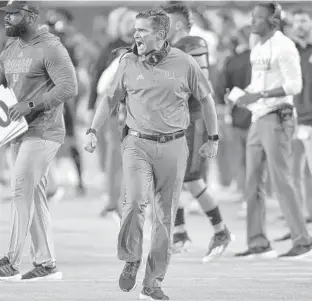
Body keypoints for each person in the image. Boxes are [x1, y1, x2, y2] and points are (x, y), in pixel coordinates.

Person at [85, 8, 219, 300]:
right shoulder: (127, 62)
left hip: (174, 146)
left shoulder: (185, 63)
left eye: (142, 30)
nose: (136, 35)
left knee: (164, 219)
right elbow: (109, 100)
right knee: (133, 203)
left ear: (161, 34)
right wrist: (93, 130)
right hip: (136, 144)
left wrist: (213, 137)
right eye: (135, 30)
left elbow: (207, 101)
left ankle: (153, 282)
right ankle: (131, 257)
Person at [0, 1, 77, 280]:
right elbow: (2, 86)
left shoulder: (51, 47)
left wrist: (31, 104)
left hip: (44, 131)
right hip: (18, 133)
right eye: (6, 14)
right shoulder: (10, 49)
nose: (7, 18)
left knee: (20, 189)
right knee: (32, 193)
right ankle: (45, 264)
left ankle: (10, 261)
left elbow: (69, 86)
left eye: (14, 14)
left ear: (31, 16)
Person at [234, 2, 312, 259]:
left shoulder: (284, 46)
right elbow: (257, 85)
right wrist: (243, 97)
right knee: (252, 181)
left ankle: (302, 241)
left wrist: (261, 94)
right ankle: (258, 242)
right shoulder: (258, 48)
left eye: (258, 17)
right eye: (252, 16)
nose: (252, 21)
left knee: (282, 181)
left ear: (274, 22)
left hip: (278, 117)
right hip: (259, 117)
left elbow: (295, 85)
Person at [162, 2, 232, 263]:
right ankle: (180, 233)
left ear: (178, 24)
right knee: (176, 176)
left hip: (194, 118)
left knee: (191, 177)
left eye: (165, 23)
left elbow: (197, 86)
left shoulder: (194, 43)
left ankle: (221, 231)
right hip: (177, 119)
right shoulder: (172, 47)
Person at [275, 8, 312, 242]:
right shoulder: (288, 50)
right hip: (294, 119)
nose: (300, 25)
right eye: (296, 21)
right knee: (294, 173)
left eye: (304, 21)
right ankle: (299, 223)